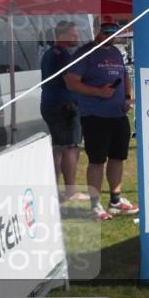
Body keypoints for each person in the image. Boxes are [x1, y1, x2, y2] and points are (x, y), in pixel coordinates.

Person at [65, 20, 139, 221]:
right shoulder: (85, 52)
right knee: (97, 160)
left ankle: (115, 200)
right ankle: (94, 205)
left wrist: (126, 98)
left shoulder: (115, 52)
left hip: (118, 114)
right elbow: (71, 81)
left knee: (118, 157)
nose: (110, 35)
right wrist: (99, 92)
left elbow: (125, 76)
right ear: (97, 31)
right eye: (106, 31)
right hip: (95, 116)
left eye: (113, 31)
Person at [40, 20, 88, 203]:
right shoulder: (63, 55)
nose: (77, 38)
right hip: (64, 107)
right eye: (73, 35)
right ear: (62, 36)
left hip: (51, 104)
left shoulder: (50, 53)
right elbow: (73, 80)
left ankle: (55, 190)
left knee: (59, 148)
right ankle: (71, 191)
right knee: (70, 147)